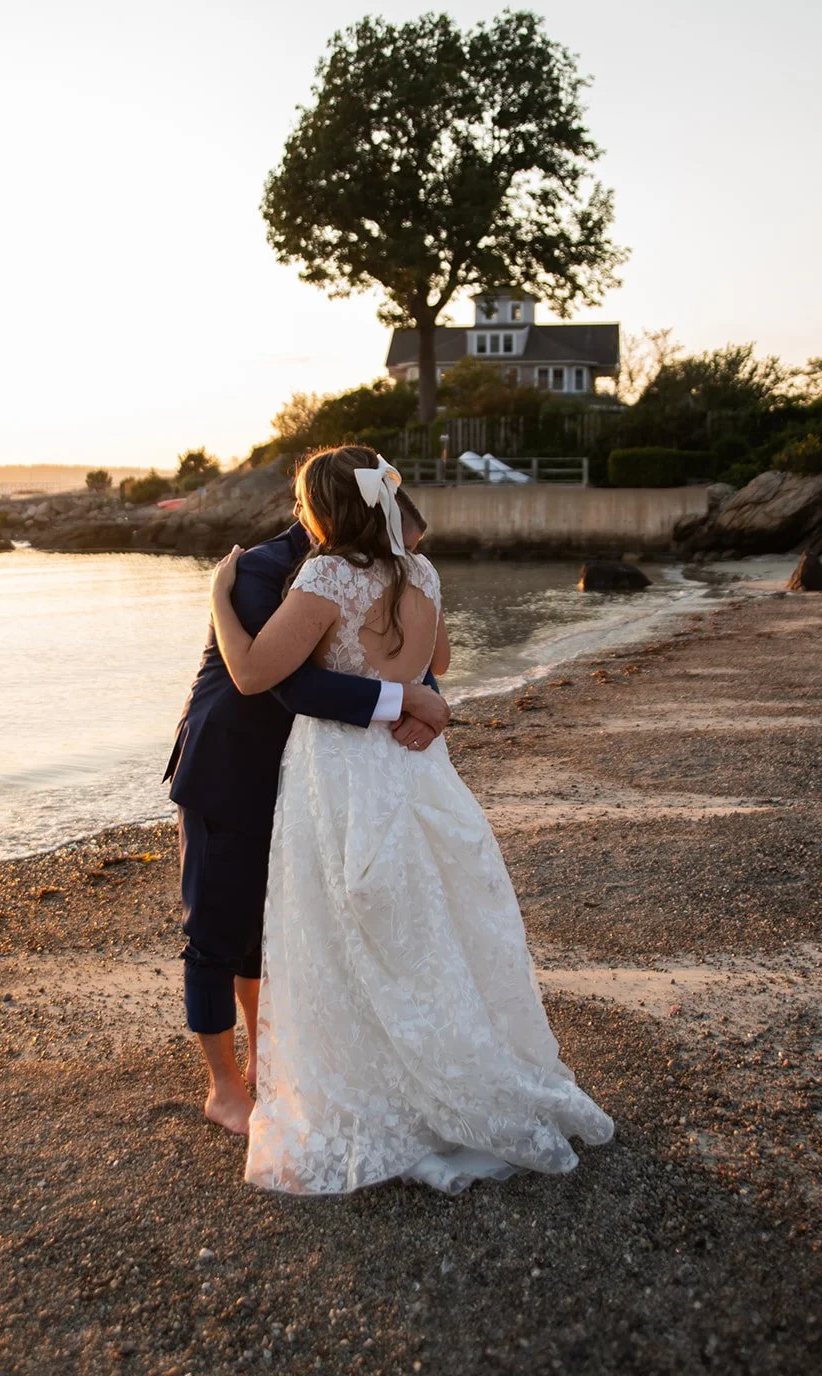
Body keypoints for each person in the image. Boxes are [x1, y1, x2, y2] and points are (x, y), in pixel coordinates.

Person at [210, 446, 614, 1194]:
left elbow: (253, 673)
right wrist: (414, 692)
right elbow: (441, 660)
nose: (300, 518)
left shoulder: (324, 575)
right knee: (421, 920)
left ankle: (374, 1089)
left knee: (341, 924)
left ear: (326, 509)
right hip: (414, 764)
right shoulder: (421, 573)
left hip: (339, 768)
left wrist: (218, 598)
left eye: (304, 505)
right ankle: (443, 1072)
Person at [164, 485, 448, 1135]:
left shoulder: (363, 570)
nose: (394, 554)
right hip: (228, 769)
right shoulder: (261, 570)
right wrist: (405, 699)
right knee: (213, 934)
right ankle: (223, 1089)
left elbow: (397, 655)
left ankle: (265, 1056)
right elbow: (284, 683)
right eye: (389, 537)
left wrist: (422, 703)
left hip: (304, 777)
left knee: (269, 931)